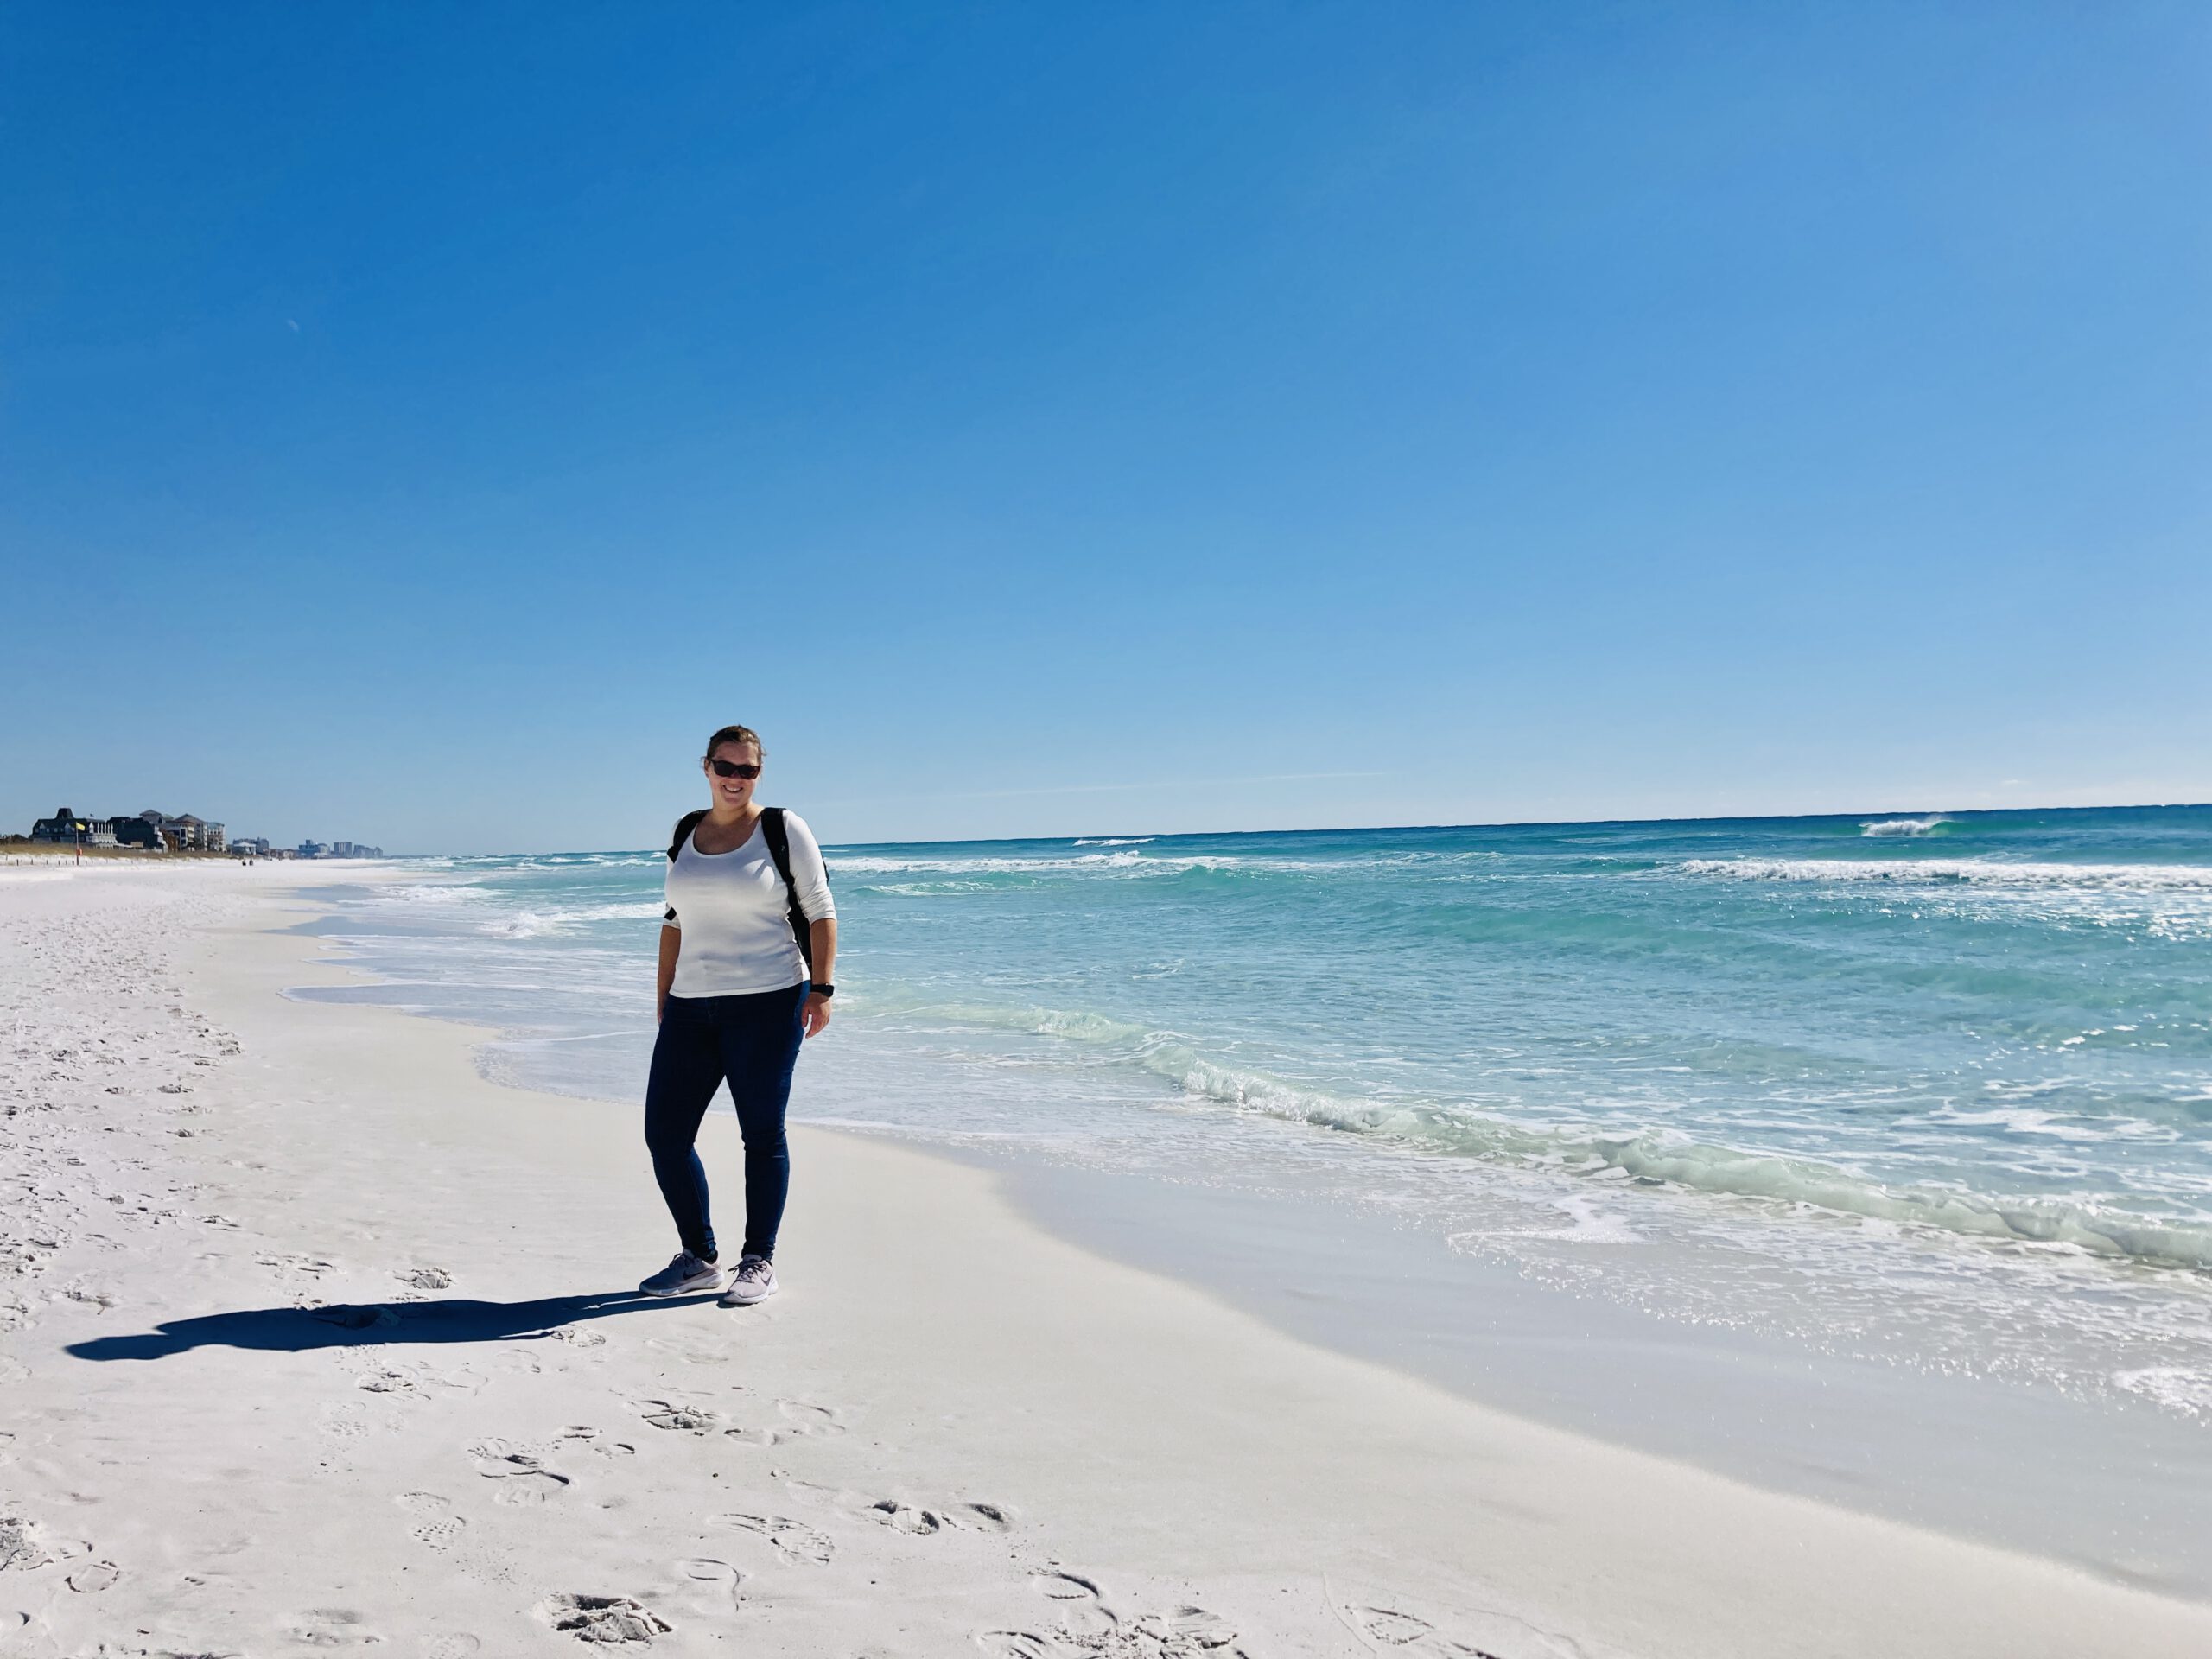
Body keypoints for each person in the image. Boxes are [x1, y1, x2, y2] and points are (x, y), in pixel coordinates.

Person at [639, 723, 836, 1306]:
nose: (735, 779)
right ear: (705, 767)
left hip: (769, 1003)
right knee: (665, 1136)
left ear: (759, 774)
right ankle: (699, 1257)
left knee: (761, 1133)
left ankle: (759, 1260)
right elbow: (674, 919)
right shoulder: (685, 831)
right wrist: (664, 996)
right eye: (725, 767)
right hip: (690, 1008)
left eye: (747, 770)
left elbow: (821, 909)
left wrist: (821, 989)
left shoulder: (781, 828)